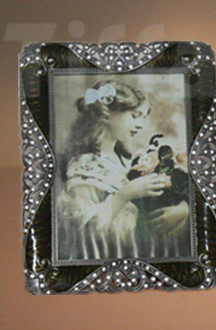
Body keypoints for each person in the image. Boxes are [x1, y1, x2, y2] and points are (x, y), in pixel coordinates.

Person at [57, 80, 189, 262]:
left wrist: (183, 209)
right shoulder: (84, 164)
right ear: (105, 115)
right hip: (110, 256)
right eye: (135, 116)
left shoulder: (127, 159)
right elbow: (77, 228)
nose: (141, 125)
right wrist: (124, 195)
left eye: (144, 117)